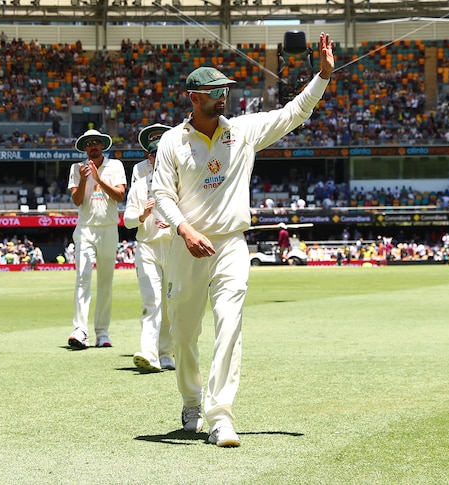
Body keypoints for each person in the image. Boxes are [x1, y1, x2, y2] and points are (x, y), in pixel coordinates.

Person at [151, 32, 335, 447]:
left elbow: (294, 112)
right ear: (194, 98)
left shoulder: (244, 131)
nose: (224, 98)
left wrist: (322, 77)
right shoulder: (171, 142)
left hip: (232, 245)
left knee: (230, 325)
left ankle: (220, 416)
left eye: (226, 91)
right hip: (186, 247)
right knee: (182, 334)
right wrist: (185, 229)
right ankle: (192, 400)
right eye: (216, 92)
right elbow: (160, 194)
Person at [66, 129, 126, 349]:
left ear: (102, 146)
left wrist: (99, 178)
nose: (93, 146)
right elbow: (77, 200)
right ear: (84, 148)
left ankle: (102, 332)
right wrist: (83, 180)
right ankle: (80, 330)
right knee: (83, 277)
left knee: (105, 282)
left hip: (109, 229)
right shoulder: (76, 168)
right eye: (89, 143)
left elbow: (120, 196)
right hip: (85, 229)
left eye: (96, 143)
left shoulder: (116, 166)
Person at [123, 140, 174, 373]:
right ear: (150, 158)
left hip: (173, 247)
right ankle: (149, 354)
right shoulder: (139, 186)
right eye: (155, 155)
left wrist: (172, 225)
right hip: (147, 247)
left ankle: (167, 353)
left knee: (171, 302)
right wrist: (143, 215)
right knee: (152, 299)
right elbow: (127, 221)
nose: (159, 159)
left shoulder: (179, 183)